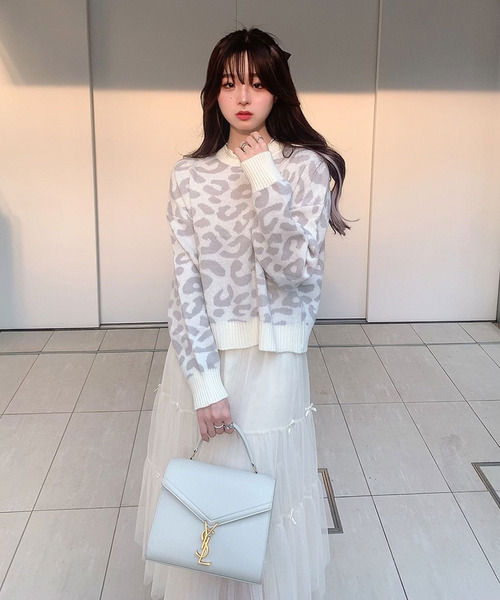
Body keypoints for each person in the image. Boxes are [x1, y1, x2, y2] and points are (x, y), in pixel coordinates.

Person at [135, 26, 348, 600]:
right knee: (208, 493)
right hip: (206, 355)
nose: (244, 97)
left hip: (275, 357)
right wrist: (205, 382)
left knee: (263, 490)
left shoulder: (307, 167)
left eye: (257, 82)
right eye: (230, 84)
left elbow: (293, 270)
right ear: (214, 93)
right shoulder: (190, 174)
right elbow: (185, 284)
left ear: (278, 90)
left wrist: (263, 177)